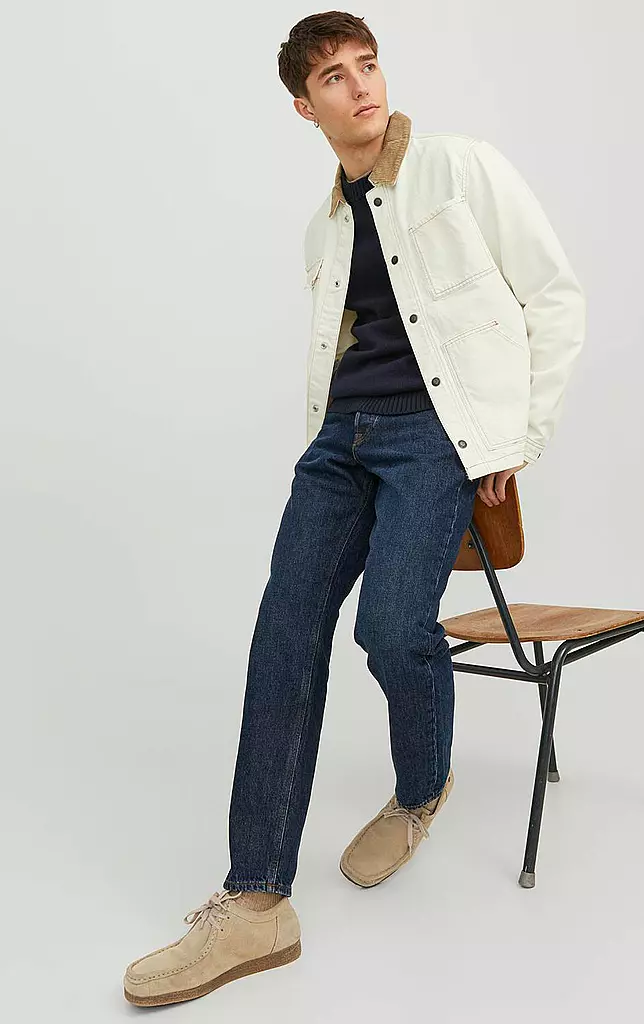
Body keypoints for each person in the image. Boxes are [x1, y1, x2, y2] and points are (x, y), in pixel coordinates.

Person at [123, 10, 586, 1007]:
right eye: (334, 75)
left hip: (434, 437)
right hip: (342, 440)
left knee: (390, 626)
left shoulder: (460, 168)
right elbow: (341, 346)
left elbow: (554, 295)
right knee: (283, 634)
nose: (361, 85)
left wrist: (519, 434)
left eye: (367, 64)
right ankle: (257, 902)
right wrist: (327, 434)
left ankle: (421, 784)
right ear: (305, 106)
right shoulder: (323, 227)